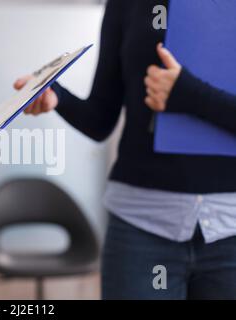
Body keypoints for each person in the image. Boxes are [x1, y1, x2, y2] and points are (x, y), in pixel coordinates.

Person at [14, 0, 236, 299]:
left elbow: (189, 95)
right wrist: (58, 96)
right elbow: (99, 120)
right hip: (140, 225)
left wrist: (188, 95)